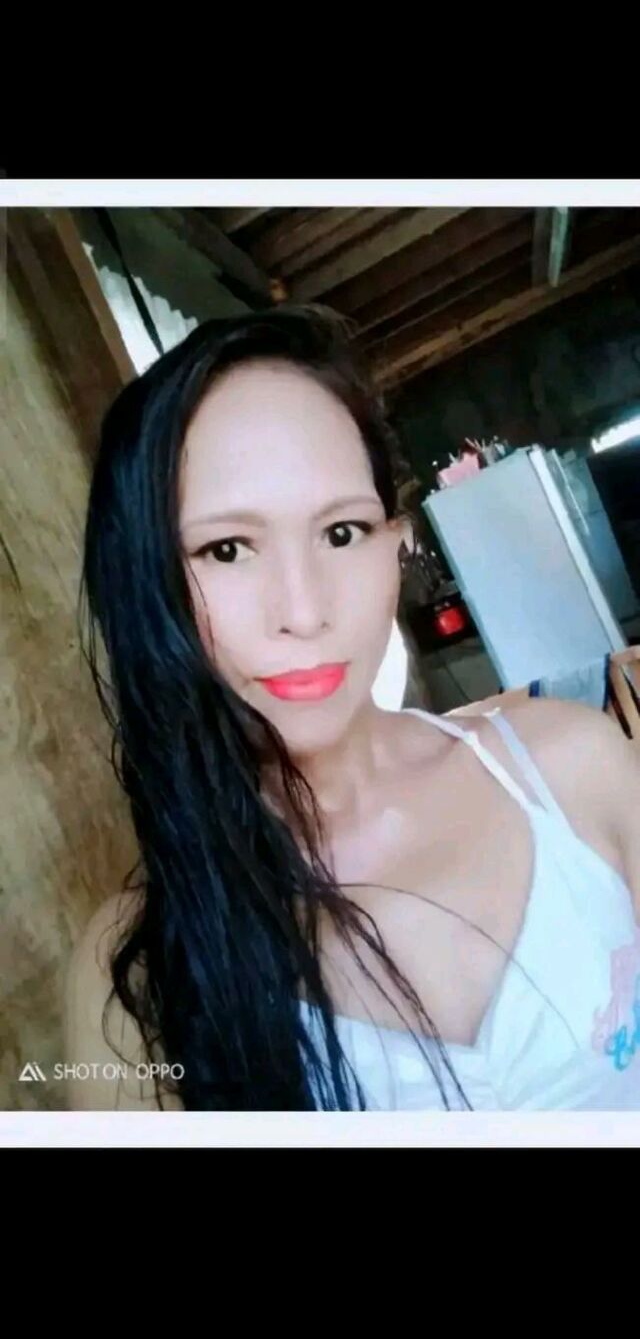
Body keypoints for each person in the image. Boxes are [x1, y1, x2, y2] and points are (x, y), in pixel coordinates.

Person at [64, 305, 640, 1112]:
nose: (304, 611)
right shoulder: (131, 976)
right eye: (227, 549)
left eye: (341, 533)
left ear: (394, 541)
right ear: (146, 580)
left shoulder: (577, 767)